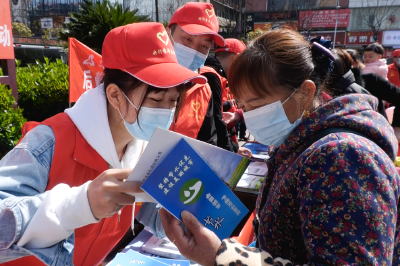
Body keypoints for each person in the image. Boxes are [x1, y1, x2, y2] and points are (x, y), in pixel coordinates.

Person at [160, 29, 400, 265]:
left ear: (305, 93)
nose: (250, 117)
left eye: (256, 106)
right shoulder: (301, 142)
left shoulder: (342, 157)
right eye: (243, 106)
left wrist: (222, 258)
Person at [0, 22, 206, 266]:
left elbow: (153, 213)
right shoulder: (47, 143)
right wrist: (78, 204)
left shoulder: (144, 152)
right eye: (156, 99)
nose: (166, 112)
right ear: (115, 95)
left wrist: (193, 205)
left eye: (173, 101)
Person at [166, 2, 226, 147]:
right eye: (187, 39)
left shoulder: (204, 90)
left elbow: (208, 143)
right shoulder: (140, 82)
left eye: (204, 46)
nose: (193, 50)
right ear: (168, 34)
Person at [200, 38, 246, 151]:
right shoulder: (212, 76)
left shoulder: (203, 70)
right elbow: (216, 121)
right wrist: (232, 150)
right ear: (236, 58)